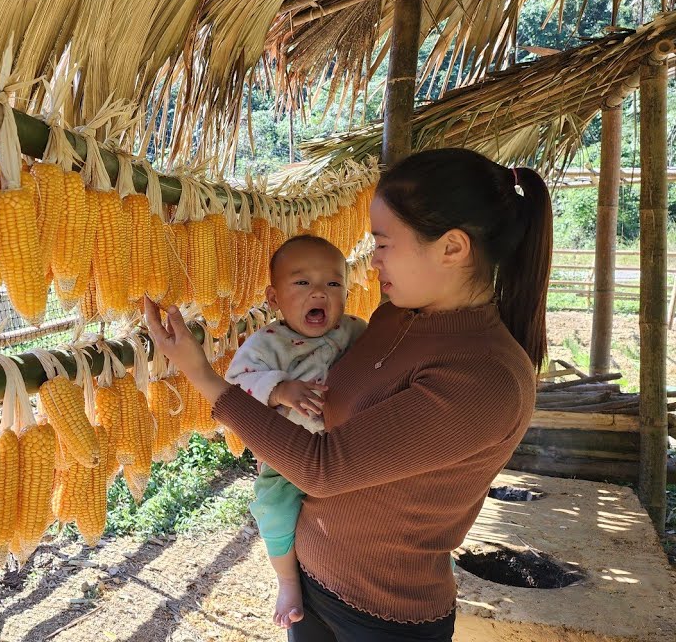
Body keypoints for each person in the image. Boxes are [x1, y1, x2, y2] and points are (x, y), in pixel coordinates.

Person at [144, 149, 552, 642]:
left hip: (382, 618)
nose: (373, 258)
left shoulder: (485, 377)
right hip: (314, 586)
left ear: (452, 248)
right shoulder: (394, 317)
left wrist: (205, 378)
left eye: (383, 243)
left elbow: (325, 468)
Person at [224, 234, 366, 629]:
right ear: (273, 298)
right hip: (287, 460)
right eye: (302, 283)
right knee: (273, 511)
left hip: (344, 452)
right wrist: (281, 389)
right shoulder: (267, 344)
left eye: (333, 284)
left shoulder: (355, 331)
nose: (319, 292)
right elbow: (236, 384)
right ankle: (287, 581)